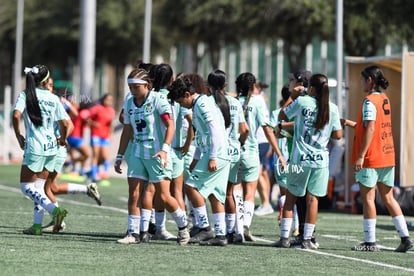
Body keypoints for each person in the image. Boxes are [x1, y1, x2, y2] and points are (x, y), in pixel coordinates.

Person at [114, 68, 190, 245]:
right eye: (130, 87)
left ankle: (182, 225)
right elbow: (127, 130)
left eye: (136, 87)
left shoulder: (158, 99)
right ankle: (133, 233)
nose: (132, 90)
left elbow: (170, 125)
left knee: (163, 196)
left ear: (147, 85)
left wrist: (164, 149)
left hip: (157, 153)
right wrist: (119, 155)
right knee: (134, 193)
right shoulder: (129, 102)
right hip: (137, 153)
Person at [342, 65, 412, 252]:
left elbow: (371, 128)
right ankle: (405, 238)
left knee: (369, 199)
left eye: (363, 79)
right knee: (389, 198)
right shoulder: (384, 99)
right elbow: (371, 126)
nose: (361, 82)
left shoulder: (369, 101)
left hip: (372, 158)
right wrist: (349, 123)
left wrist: (361, 156)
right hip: (387, 155)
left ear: (370, 80)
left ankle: (370, 242)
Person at [273, 73, 342, 249]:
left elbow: (282, 116)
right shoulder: (332, 108)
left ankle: (284, 239)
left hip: (299, 160)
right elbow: (338, 135)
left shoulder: (303, 102)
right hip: (320, 161)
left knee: (290, 199)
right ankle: (307, 239)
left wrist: (292, 96)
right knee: (313, 200)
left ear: (310, 88)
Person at [168, 75, 232, 246]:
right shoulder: (201, 102)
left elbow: (215, 130)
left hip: (217, 155)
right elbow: (202, 136)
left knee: (190, 186)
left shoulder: (202, 104)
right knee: (215, 195)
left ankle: (204, 228)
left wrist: (211, 157)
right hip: (220, 154)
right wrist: (197, 158)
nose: (181, 105)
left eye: (181, 101)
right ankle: (220, 235)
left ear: (188, 94)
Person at [12, 65, 70, 235]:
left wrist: (18, 135)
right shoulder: (53, 98)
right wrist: (63, 139)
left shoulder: (26, 95)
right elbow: (65, 123)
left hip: (35, 147)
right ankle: (37, 226)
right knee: (39, 187)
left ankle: (56, 211)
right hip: (51, 148)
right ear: (46, 81)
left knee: (26, 187)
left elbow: (16, 115)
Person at [41, 78, 102, 231]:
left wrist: (62, 138)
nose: (47, 87)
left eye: (49, 85)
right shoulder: (49, 100)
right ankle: (86, 189)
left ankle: (57, 221)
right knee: (51, 187)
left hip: (53, 149)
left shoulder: (55, 101)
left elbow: (72, 119)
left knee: (42, 187)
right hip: (52, 148)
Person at [235, 72, 285, 241]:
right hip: (250, 151)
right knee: (249, 191)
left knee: (234, 190)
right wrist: (278, 152)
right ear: (253, 86)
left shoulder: (232, 101)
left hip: (233, 151)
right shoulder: (258, 102)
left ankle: (234, 228)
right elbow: (267, 129)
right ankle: (245, 226)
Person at [207, 69, 249, 243]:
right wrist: (240, 143)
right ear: (225, 84)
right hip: (234, 151)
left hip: (217, 153)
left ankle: (214, 229)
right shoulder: (235, 102)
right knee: (229, 193)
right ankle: (232, 231)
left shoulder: (208, 102)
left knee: (212, 193)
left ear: (209, 85)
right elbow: (244, 130)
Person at [269, 85, 299, 235]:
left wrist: (277, 153)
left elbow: (272, 133)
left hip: (280, 157)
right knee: (297, 194)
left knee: (285, 195)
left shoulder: (276, 114)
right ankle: (297, 226)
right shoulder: (300, 113)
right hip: (297, 157)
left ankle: (286, 221)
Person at [253, 81, 274, 216]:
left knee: (259, 172)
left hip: (260, 141)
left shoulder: (256, 99)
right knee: (263, 173)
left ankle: (266, 203)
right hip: (263, 141)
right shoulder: (260, 98)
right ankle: (266, 202)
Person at [87, 93, 116, 181]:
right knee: (95, 154)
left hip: (105, 136)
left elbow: (111, 124)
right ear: (103, 100)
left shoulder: (111, 110)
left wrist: (110, 135)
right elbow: (87, 119)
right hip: (95, 135)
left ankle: (104, 172)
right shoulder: (97, 108)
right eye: (107, 100)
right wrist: (93, 123)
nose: (109, 102)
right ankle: (94, 175)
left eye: (111, 100)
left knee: (104, 156)